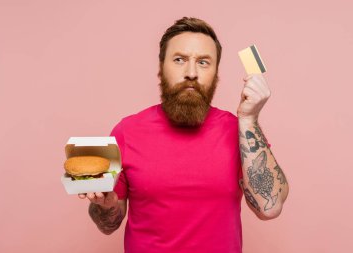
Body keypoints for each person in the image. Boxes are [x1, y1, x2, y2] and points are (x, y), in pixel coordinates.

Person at [78, 17, 289, 253]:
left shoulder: (238, 131)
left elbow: (269, 208)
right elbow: (108, 226)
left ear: (216, 74)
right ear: (161, 68)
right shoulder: (126, 132)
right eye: (179, 60)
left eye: (203, 62)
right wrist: (104, 206)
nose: (191, 72)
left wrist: (249, 119)